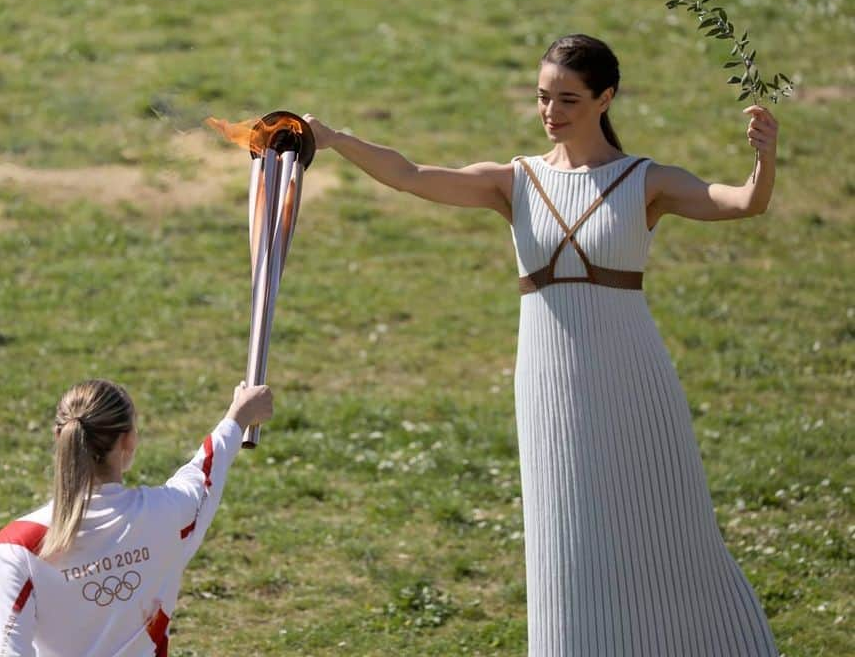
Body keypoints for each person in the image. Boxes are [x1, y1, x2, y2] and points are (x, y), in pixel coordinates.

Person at [304, 34, 780, 655]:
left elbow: (744, 203)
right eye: (542, 98)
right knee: (565, 533)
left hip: (632, 377)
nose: (551, 112)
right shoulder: (517, 181)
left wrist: (764, 159)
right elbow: (413, 176)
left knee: (665, 526)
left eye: (568, 100)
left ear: (605, 98)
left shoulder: (646, 181)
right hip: (548, 382)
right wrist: (337, 139)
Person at [0, 379, 272, 657]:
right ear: (129, 440)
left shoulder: (17, 547)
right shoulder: (167, 516)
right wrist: (239, 415)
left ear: (59, 437)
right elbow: (208, 467)